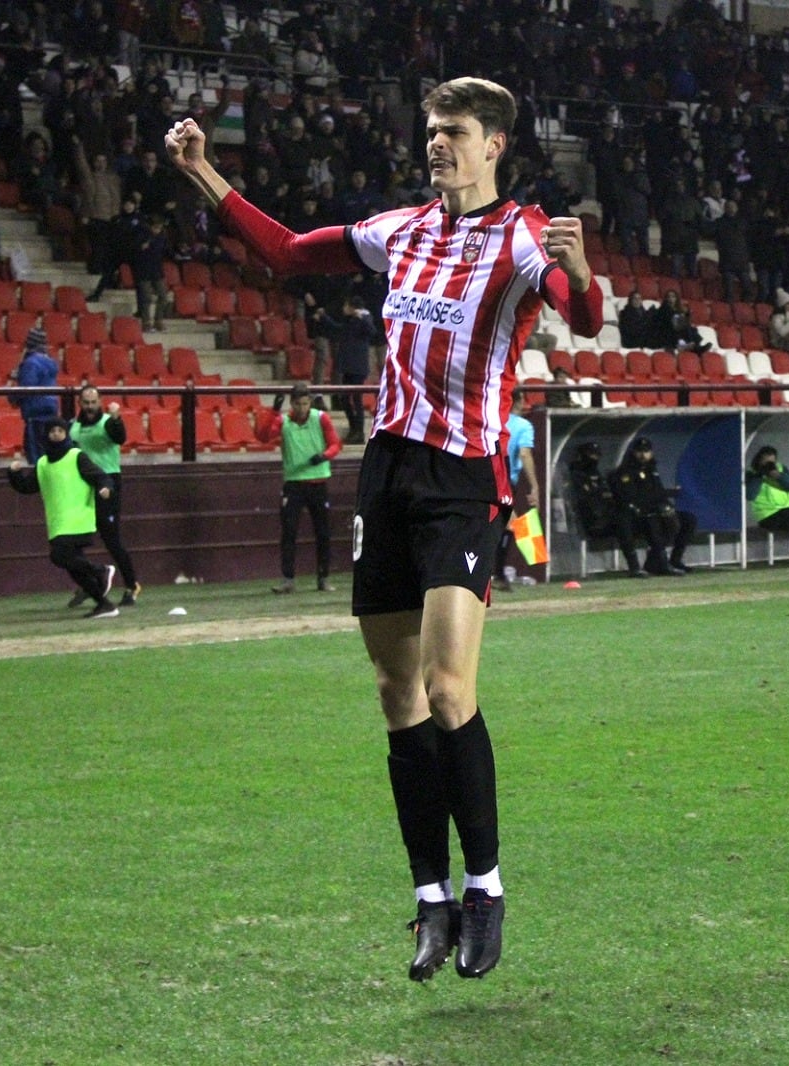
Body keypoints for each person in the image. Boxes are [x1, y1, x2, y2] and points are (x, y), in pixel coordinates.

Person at [166, 74, 603, 981]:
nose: (438, 143)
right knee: (395, 693)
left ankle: (486, 889)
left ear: (495, 147)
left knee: (450, 689)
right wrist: (205, 174)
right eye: (432, 129)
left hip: (463, 479)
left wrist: (586, 274)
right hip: (390, 471)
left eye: (456, 132)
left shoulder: (519, 235)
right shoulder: (399, 230)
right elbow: (287, 254)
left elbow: (578, 308)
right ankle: (429, 899)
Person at [7, 417, 122, 620]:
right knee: (73, 567)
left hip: (78, 518)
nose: (56, 434)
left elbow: (101, 476)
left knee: (59, 556)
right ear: (47, 435)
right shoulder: (42, 463)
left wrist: (106, 488)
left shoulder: (76, 456)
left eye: (60, 431)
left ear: (66, 434)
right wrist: (14, 475)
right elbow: (27, 487)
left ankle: (101, 570)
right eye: (52, 431)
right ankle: (104, 604)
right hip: (58, 522)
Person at [256, 382, 343, 594]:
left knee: (323, 532)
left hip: (318, 481)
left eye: (305, 403)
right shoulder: (284, 421)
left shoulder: (321, 418)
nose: (302, 408)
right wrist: (273, 411)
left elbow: (336, 445)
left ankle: (323, 578)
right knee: (289, 532)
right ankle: (288, 579)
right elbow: (263, 436)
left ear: (310, 402)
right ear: (292, 403)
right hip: (294, 482)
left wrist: (323, 456)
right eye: (298, 404)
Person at [69, 385, 142, 607]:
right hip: (84, 485)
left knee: (111, 538)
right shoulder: (74, 427)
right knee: (76, 538)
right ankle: (88, 584)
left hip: (108, 483)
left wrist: (117, 417)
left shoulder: (107, 423)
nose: (90, 407)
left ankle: (132, 584)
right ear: (80, 403)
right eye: (86, 402)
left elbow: (120, 437)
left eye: (93, 402)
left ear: (100, 401)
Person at [609, 437, 695, 576]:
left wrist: (667, 506)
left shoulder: (651, 470)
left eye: (646, 451)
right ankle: (653, 563)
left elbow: (659, 493)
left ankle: (673, 560)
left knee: (688, 519)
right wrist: (655, 506)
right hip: (635, 515)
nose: (643, 455)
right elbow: (631, 497)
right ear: (633, 452)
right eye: (639, 451)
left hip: (653, 511)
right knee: (651, 520)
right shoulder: (625, 472)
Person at [563, 440, 645, 576]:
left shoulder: (598, 474)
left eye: (596, 455)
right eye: (591, 455)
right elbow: (582, 500)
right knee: (622, 523)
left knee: (638, 519)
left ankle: (654, 562)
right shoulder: (575, 475)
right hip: (591, 522)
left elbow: (608, 494)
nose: (595, 458)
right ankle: (634, 566)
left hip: (607, 517)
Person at [312, 292, 380, 445]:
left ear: (352, 307)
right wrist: (324, 318)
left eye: (346, 305)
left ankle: (359, 431)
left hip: (357, 366)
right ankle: (354, 428)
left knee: (356, 399)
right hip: (349, 365)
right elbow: (340, 330)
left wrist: (361, 318)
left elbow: (372, 332)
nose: (343, 308)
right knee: (345, 398)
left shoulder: (364, 319)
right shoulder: (352, 320)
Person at [492, 388, 539, 591]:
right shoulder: (523, 426)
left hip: (481, 478)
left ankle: (499, 573)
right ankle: (501, 573)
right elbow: (525, 454)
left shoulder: (493, 420)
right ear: (519, 400)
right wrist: (534, 486)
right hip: (503, 481)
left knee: (506, 523)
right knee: (512, 524)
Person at [10, 327, 60, 462]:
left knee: (36, 455)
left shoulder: (31, 363)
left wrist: (12, 397)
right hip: (51, 408)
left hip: (35, 412)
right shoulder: (51, 362)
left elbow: (26, 388)